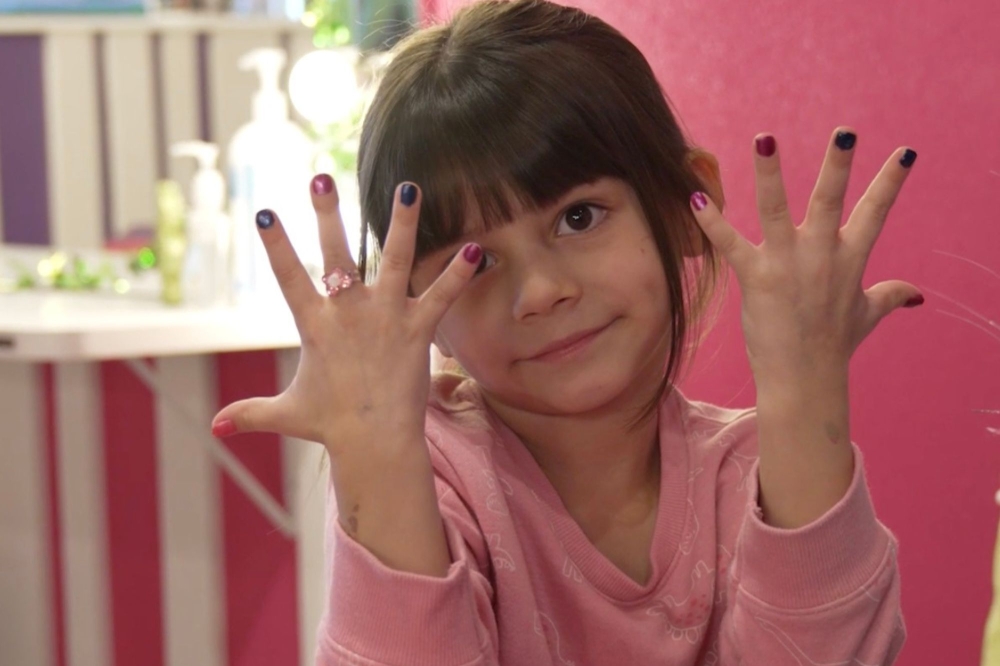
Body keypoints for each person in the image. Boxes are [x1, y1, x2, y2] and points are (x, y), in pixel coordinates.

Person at [211, 0, 921, 663]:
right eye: (476, 260)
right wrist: (376, 460)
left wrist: (805, 388)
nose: (542, 292)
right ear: (416, 309)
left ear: (683, 206)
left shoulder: (754, 477)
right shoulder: (431, 471)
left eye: (579, 217)